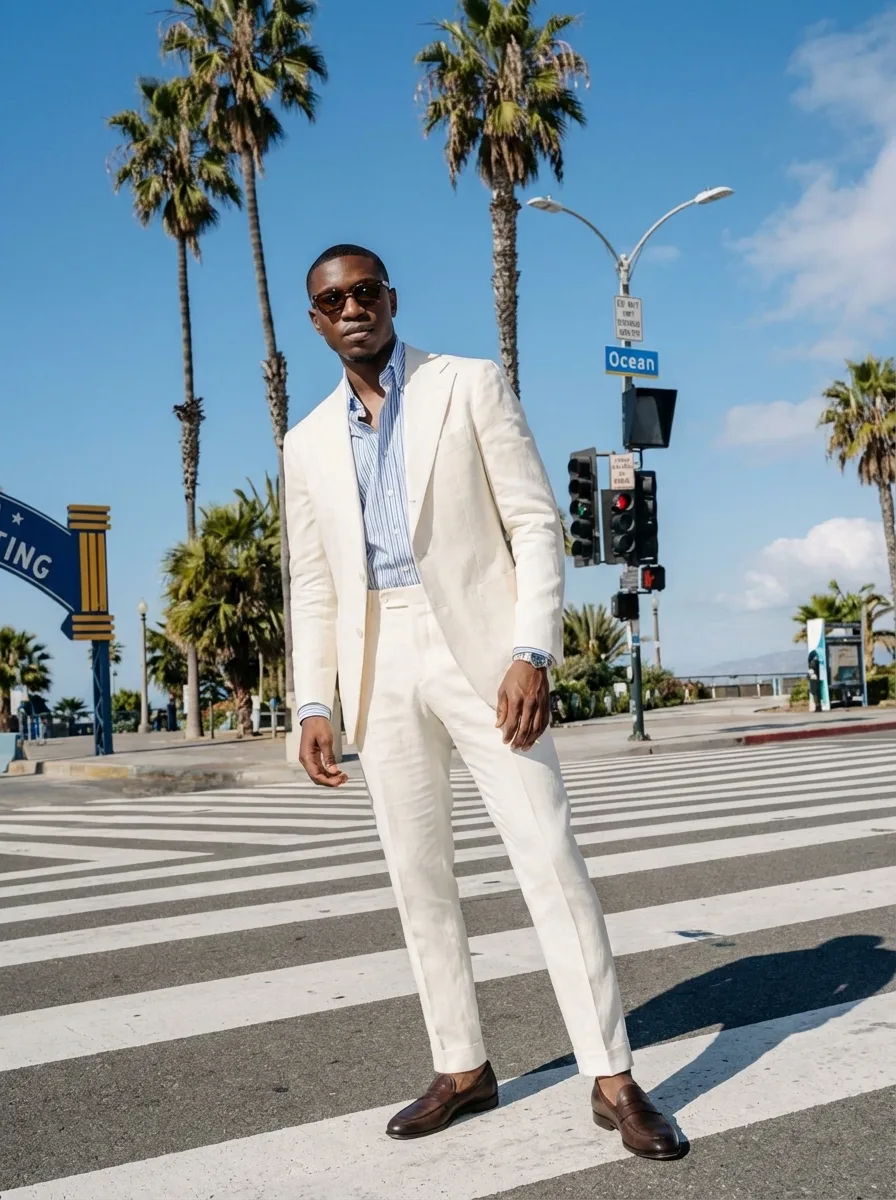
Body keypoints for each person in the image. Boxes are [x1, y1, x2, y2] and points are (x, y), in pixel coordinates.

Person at [284, 244, 678, 1160]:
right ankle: (461, 1066)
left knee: (549, 856)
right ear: (316, 321)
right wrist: (313, 702)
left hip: (483, 651)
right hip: (376, 661)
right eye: (333, 300)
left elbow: (536, 522)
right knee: (419, 878)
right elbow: (312, 583)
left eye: (366, 292)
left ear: (391, 297)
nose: (352, 309)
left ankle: (611, 1077)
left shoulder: (468, 383)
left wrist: (529, 650)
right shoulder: (303, 443)